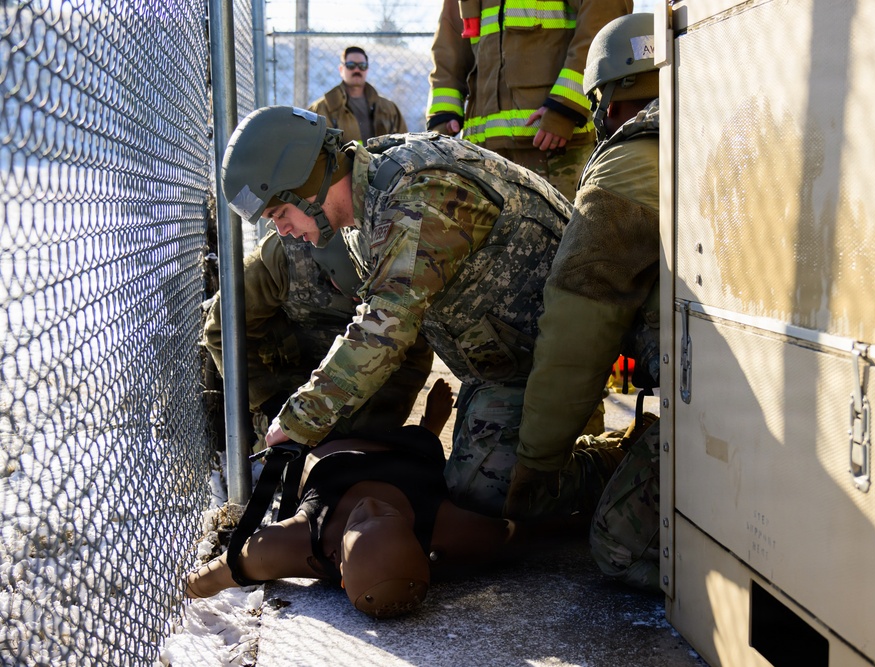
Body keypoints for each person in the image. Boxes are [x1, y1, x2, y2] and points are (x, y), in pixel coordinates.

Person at [219, 105, 623, 517]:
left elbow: (386, 329)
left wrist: (300, 419)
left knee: (491, 498)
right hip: (500, 364)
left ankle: (621, 457)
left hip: (553, 362)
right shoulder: (368, 198)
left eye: (280, 214)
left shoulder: (415, 197)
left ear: (304, 183)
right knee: (461, 491)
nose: (282, 230)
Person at [185, 380, 584, 619]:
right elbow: (528, 535)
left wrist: (175, 591)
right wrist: (585, 523)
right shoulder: (453, 532)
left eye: (360, 521)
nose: (372, 503)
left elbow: (209, 579)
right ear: (428, 548)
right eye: (390, 517)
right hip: (410, 441)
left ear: (338, 574)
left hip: (332, 430)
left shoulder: (286, 547)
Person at [501, 13, 662, 592]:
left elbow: (577, 329)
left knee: (620, 543)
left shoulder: (628, 163)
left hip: (728, 407)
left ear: (610, 98)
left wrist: (535, 468)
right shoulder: (724, 121)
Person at [202, 225, 434, 451]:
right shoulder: (282, 258)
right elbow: (221, 332)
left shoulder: (405, 270)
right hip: (285, 378)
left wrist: (370, 430)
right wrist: (268, 399)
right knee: (285, 456)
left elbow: (412, 357)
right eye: (350, 292)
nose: (356, 302)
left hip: (365, 381)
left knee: (357, 459)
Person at [425, 0, 632, 202]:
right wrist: (442, 118)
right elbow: (449, 42)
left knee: (562, 233)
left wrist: (566, 106)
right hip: (480, 156)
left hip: (555, 150)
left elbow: (604, 21)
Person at [307, 46, 407, 143]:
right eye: (351, 65)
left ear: (367, 69)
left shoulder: (389, 109)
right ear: (341, 69)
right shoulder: (321, 109)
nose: (357, 70)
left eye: (362, 66)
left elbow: (405, 146)